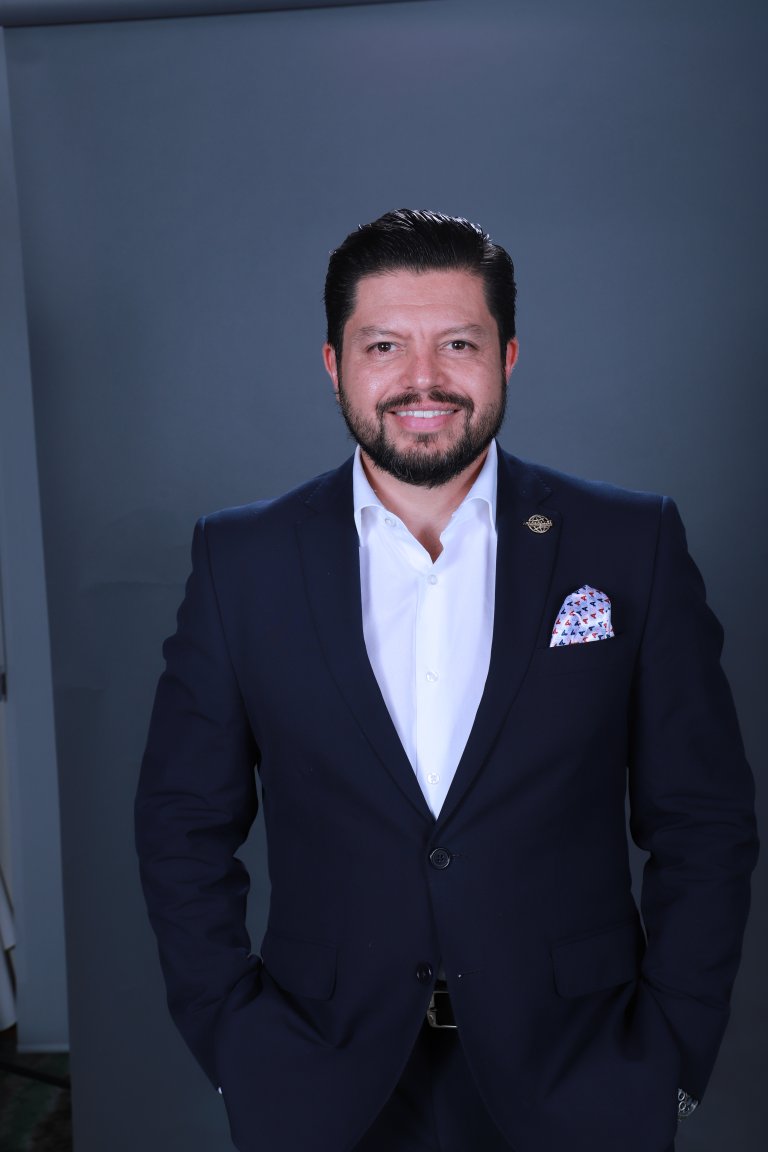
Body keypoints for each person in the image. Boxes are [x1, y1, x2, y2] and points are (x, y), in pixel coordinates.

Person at [135, 209, 758, 1152]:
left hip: (583, 1074)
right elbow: (181, 823)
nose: (422, 378)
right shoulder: (242, 560)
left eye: (458, 344)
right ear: (334, 364)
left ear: (507, 357)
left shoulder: (631, 544)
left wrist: (671, 1054)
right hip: (323, 1079)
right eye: (383, 345)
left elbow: (704, 819)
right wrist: (238, 1044)